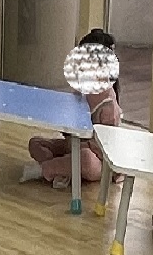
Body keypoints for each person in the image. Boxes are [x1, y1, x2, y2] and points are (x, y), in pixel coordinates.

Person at [18, 35, 123, 190]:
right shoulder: (82, 91)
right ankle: (64, 168)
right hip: (74, 146)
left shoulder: (108, 108)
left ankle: (48, 169)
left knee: (86, 160)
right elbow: (70, 121)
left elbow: (105, 150)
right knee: (35, 143)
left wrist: (80, 147)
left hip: (97, 159)